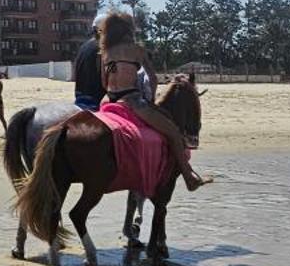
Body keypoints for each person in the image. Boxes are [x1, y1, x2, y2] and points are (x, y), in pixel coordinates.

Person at [98, 11, 209, 191]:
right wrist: (150, 99)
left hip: (107, 101)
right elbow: (152, 78)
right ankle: (189, 177)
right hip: (130, 100)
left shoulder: (106, 52)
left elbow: (104, 82)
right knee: (173, 132)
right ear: (128, 31)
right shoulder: (137, 50)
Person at [73, 29, 105, 112]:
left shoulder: (83, 47)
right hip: (97, 101)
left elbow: (74, 75)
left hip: (80, 99)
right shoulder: (103, 47)